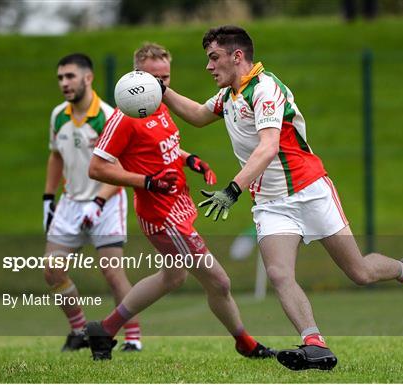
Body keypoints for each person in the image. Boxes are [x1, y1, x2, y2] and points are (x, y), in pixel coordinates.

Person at [159, 25, 403, 371]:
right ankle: (315, 343)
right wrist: (161, 91)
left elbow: (267, 148)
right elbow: (197, 114)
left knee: (359, 272)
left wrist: (232, 189)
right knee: (280, 273)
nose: (208, 66)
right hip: (269, 202)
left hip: (309, 191)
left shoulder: (265, 89)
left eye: (214, 57)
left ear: (237, 57)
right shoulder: (228, 97)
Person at [85, 42, 275, 361]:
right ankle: (246, 343)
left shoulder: (156, 104)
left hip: (178, 207)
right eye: (153, 78)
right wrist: (146, 182)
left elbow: (162, 149)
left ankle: (104, 330)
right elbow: (97, 167)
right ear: (136, 76)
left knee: (172, 277)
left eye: (166, 78)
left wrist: (190, 160)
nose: (161, 85)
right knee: (219, 281)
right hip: (163, 216)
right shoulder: (126, 114)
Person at [44, 53, 141, 352]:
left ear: (88, 78)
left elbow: (120, 168)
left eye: (70, 76)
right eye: (60, 77)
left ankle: (133, 338)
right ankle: (79, 330)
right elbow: (56, 156)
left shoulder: (109, 116)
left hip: (107, 201)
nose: (64, 83)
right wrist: (48, 199)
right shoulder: (58, 115)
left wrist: (98, 201)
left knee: (112, 272)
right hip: (71, 202)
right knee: (51, 269)